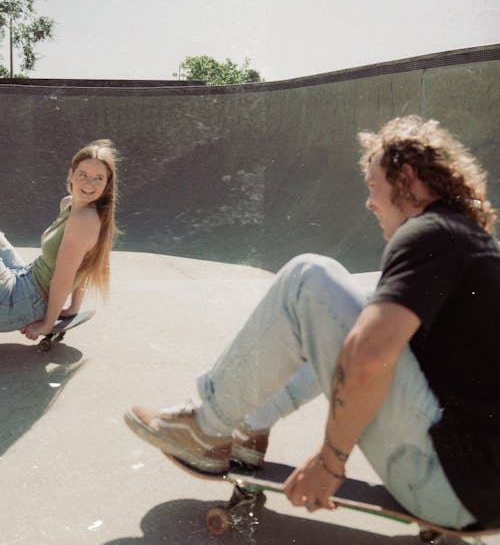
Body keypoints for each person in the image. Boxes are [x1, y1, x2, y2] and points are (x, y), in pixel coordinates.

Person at [124, 116, 499, 530]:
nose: (369, 203)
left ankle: (207, 428)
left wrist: (330, 462)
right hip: (481, 493)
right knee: (365, 301)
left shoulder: (428, 232)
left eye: (374, 187)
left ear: (406, 177)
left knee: (310, 280)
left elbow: (368, 357)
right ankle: (252, 423)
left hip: (449, 487)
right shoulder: (471, 243)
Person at [0, 139, 119, 340]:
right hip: (25, 277)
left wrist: (47, 325)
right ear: (71, 174)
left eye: (99, 178)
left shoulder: (84, 220)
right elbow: (84, 266)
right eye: (83, 175)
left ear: (107, 184)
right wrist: (74, 307)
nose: (90, 184)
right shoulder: (69, 205)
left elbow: (63, 279)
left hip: (20, 302)